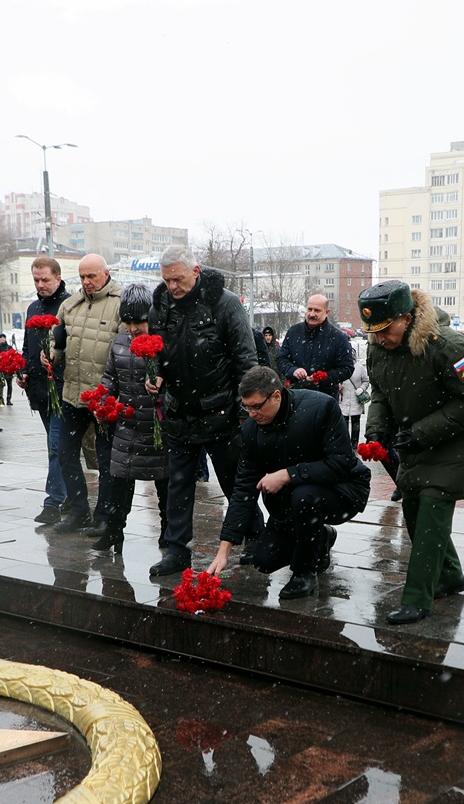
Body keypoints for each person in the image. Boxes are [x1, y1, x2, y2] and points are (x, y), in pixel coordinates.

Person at [360, 280, 464, 625]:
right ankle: (449, 575)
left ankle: (417, 598)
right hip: (419, 436)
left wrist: (419, 433)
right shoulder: (378, 349)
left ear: (407, 318)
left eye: (386, 329)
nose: (379, 338)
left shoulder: (449, 346)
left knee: (433, 504)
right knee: (414, 504)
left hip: (461, 437)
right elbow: (380, 394)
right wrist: (376, 430)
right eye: (373, 331)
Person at [207, 365, 370, 599]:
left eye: (256, 406)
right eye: (246, 407)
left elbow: (340, 464)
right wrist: (224, 550)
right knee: (264, 560)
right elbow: (243, 490)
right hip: (290, 503)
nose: (251, 414)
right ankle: (321, 537)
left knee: (304, 496)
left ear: (276, 395)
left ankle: (304, 573)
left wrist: (287, 474)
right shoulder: (252, 429)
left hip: (342, 490)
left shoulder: (320, 407)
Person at [147, 246, 261, 578]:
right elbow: (155, 350)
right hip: (179, 412)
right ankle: (177, 550)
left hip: (221, 410)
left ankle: (254, 536)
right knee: (177, 485)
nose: (173, 287)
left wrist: (246, 410)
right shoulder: (161, 307)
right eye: (167, 280)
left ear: (195, 271)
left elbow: (245, 359)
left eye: (178, 279)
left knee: (234, 481)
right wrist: (153, 374)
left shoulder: (224, 304)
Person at [49, 254, 124, 534]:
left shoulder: (120, 304)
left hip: (104, 399)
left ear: (106, 273)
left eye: (91, 276)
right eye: (82, 277)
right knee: (65, 453)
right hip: (72, 394)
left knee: (106, 460)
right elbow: (57, 340)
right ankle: (78, 510)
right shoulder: (70, 305)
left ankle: (104, 515)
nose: (86, 282)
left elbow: (126, 348)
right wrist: (52, 354)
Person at [94, 284, 169, 555]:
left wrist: (163, 386)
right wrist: (102, 404)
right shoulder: (119, 342)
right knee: (119, 483)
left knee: (166, 487)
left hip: (157, 425)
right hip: (127, 424)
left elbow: (177, 380)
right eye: (128, 321)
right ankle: (114, 531)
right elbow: (109, 380)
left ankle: (168, 534)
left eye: (139, 321)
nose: (133, 328)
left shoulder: (164, 341)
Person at [24, 256, 72, 525]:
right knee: (56, 447)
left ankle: (53, 501)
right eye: (36, 280)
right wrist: (24, 371)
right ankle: (68, 495)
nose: (40, 284)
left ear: (57, 277)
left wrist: (58, 357)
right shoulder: (33, 308)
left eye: (45, 279)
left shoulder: (69, 305)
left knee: (57, 445)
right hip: (40, 390)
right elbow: (27, 345)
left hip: (63, 387)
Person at [277, 293, 354, 402]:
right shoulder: (293, 332)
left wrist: (324, 377)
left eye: (317, 310)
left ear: (327, 312)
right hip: (296, 397)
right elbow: (281, 360)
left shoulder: (338, 337)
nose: (312, 314)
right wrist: (293, 370)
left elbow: (347, 368)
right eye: (309, 309)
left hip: (326, 400)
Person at [338, 351, 371, 447]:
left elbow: (366, 380)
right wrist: (338, 385)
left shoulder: (359, 368)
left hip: (356, 399)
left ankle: (354, 444)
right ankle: (345, 443)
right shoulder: (340, 366)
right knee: (343, 423)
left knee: (356, 423)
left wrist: (361, 389)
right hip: (343, 400)